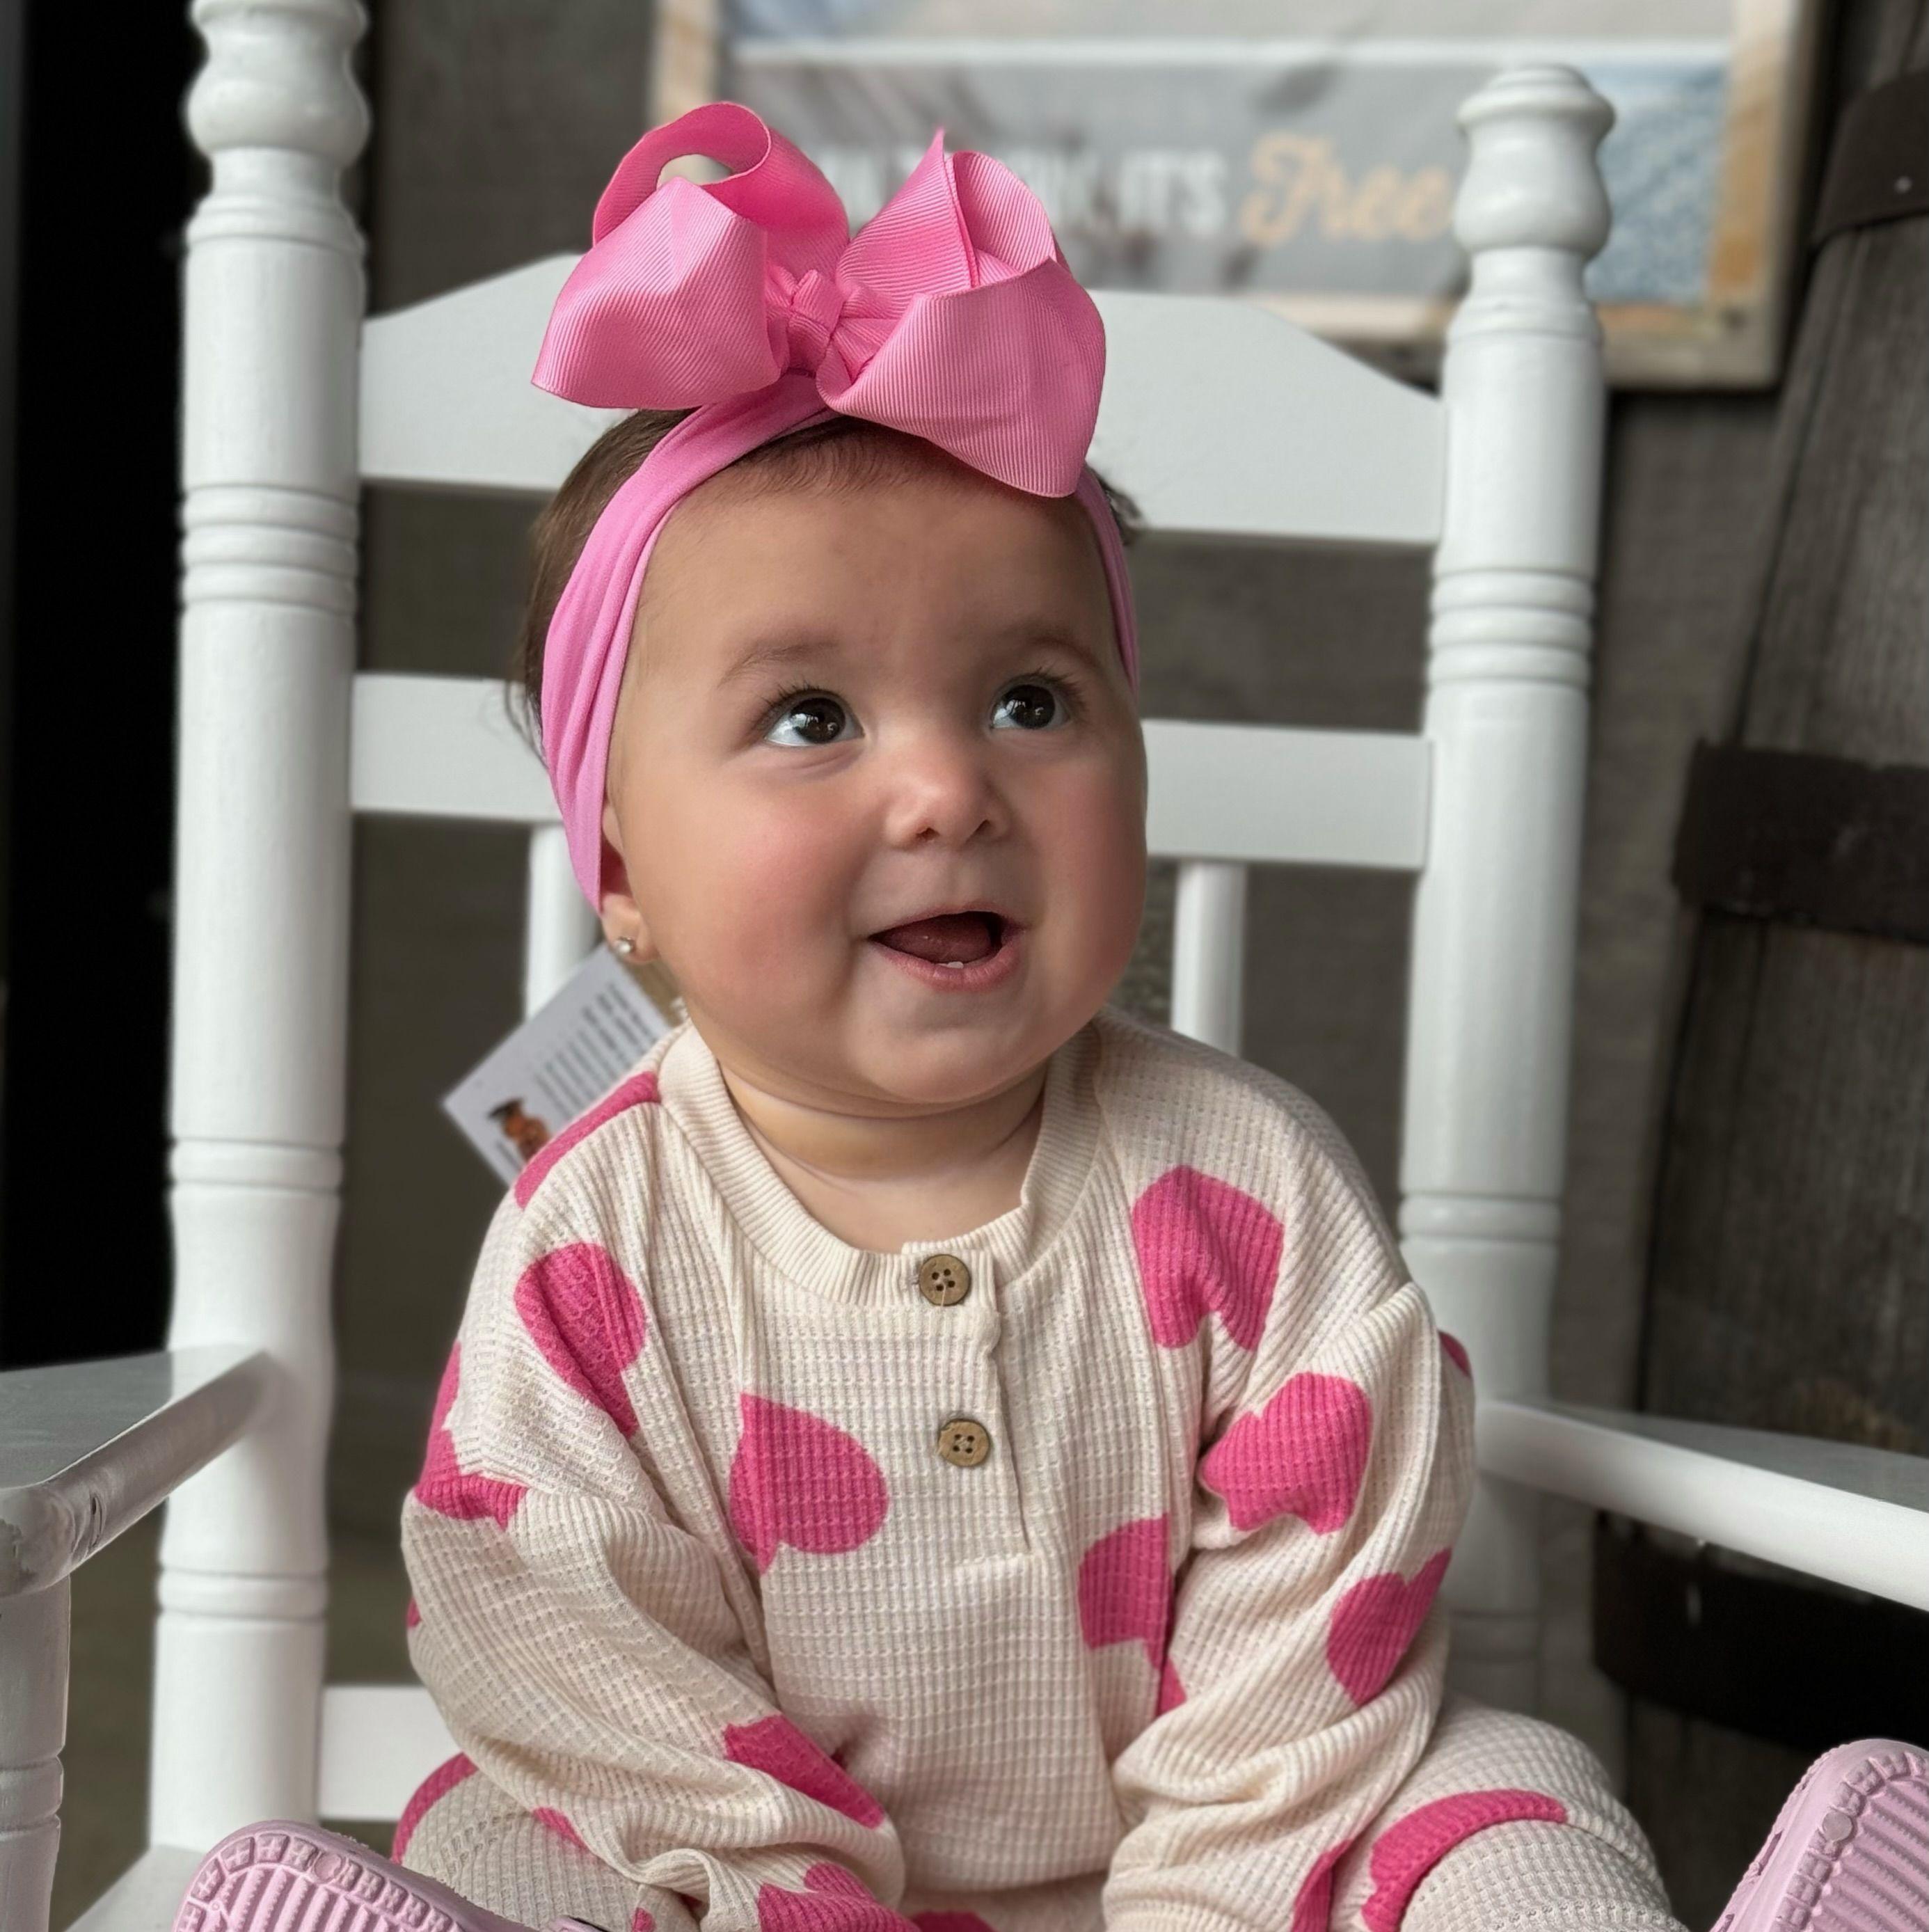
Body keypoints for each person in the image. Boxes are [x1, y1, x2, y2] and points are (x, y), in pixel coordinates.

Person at [172, 103, 1927, 1932]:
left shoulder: (1244, 1184)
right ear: (618, 862)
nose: (948, 789)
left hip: (1229, 1864)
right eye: (809, 719)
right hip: (737, 1888)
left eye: (1030, 700)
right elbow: (579, 1664)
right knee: (496, 1830)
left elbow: (1303, 1673)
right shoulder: (595, 1247)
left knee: (1512, 1794)